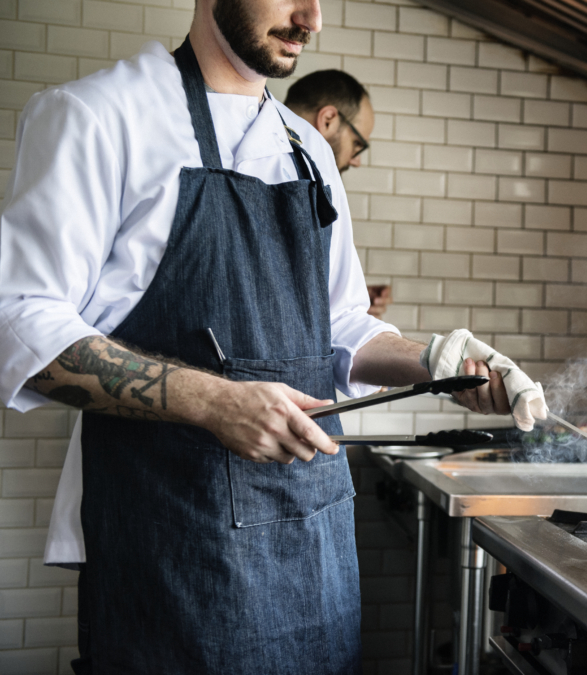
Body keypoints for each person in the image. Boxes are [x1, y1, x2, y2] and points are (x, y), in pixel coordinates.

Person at [0, 1, 547, 673]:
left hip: (313, 553)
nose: (311, 19)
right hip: (171, 556)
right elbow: (20, 320)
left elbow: (339, 324)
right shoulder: (98, 117)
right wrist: (212, 402)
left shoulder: (308, 151)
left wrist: (438, 361)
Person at [284, 69, 391, 319]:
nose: (356, 161)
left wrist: (343, 299)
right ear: (329, 119)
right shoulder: (290, 183)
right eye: (357, 144)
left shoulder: (316, 187)